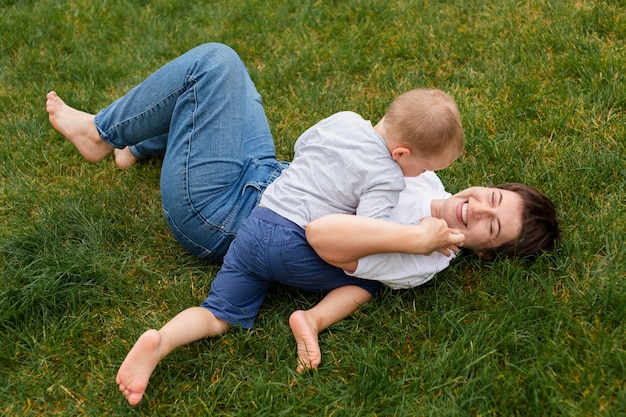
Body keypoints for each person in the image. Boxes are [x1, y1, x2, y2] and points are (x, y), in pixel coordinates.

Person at [45, 43, 559, 406]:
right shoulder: (429, 183)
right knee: (228, 68)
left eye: (490, 227)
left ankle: (103, 134)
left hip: (227, 215)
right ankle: (148, 143)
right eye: (491, 198)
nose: (476, 209)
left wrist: (418, 239)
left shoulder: (424, 256)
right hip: (269, 175)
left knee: (213, 64)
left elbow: (332, 245)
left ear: (485, 251)